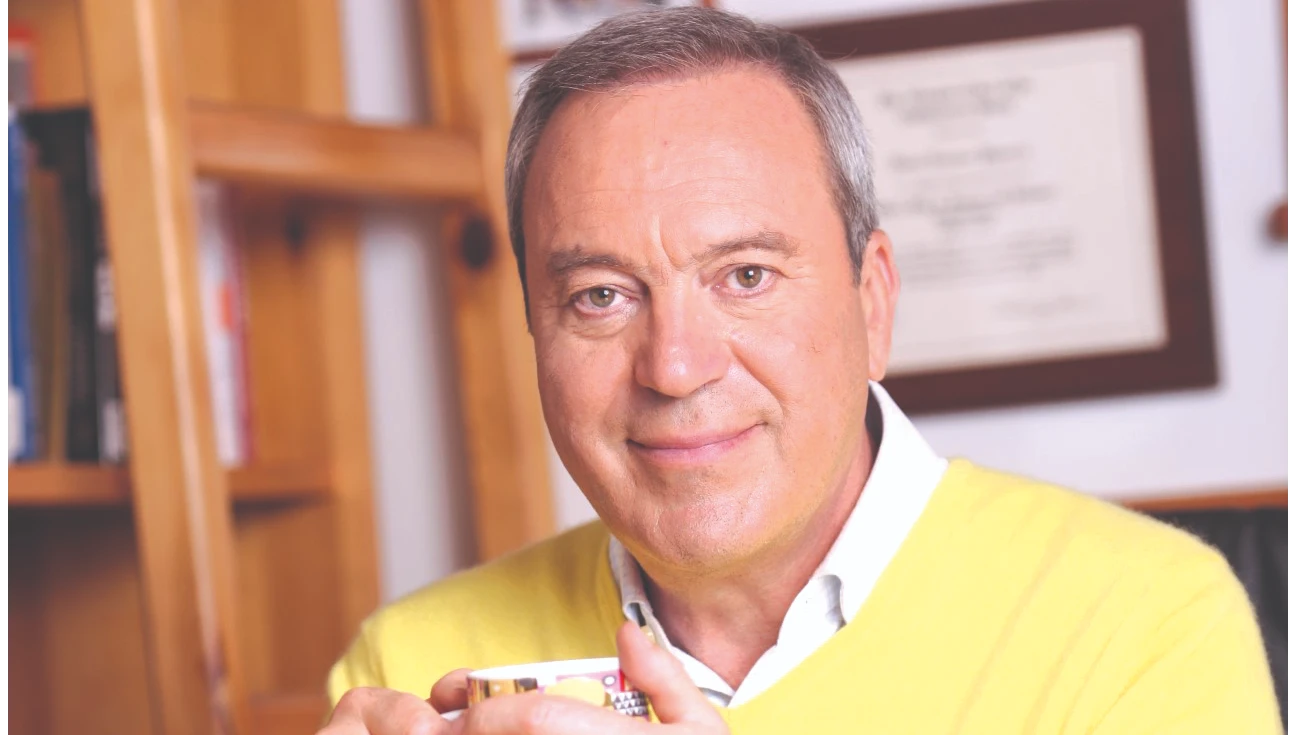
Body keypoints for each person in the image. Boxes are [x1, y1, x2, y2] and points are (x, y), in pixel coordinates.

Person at [319, 7, 1282, 734]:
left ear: (873, 302)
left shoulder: (1148, 627)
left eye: (746, 276)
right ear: (535, 329)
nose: (676, 366)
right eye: (601, 295)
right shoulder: (411, 667)